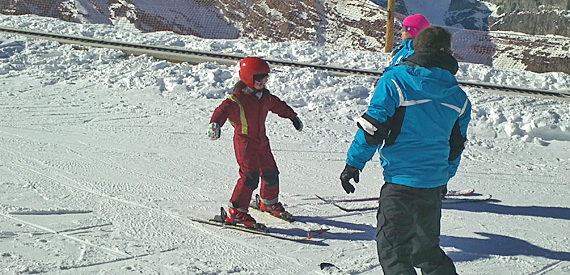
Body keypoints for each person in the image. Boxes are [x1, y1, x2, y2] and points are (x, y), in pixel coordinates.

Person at [339, 26, 471, 275]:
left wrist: (354, 163)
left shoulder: (395, 81)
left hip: (400, 185)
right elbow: (455, 147)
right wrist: (443, 178)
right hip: (432, 186)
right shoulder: (459, 98)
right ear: (447, 53)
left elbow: (373, 129)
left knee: (394, 252)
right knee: (426, 251)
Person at [208, 57, 303, 227]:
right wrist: (215, 124)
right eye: (259, 79)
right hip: (245, 143)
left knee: (271, 172)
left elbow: (279, 106)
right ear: (248, 78)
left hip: (261, 141)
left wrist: (292, 116)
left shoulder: (265, 97)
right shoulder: (237, 99)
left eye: (265, 79)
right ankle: (236, 211)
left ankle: (268, 202)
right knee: (250, 176)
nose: (263, 82)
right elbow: (222, 110)